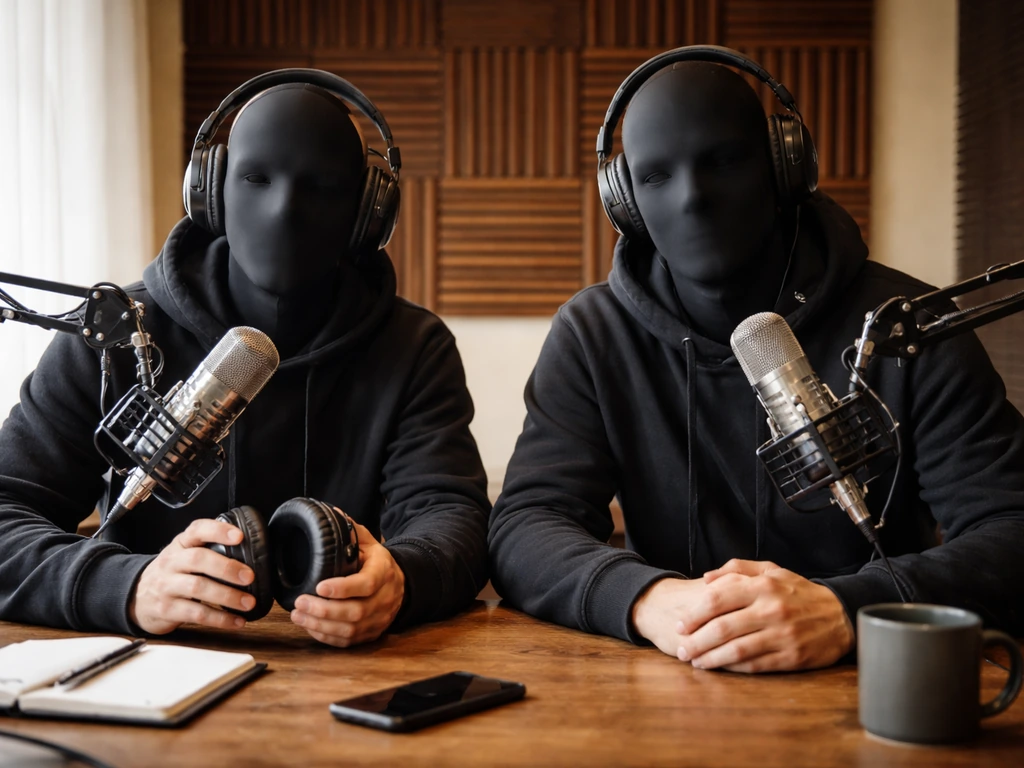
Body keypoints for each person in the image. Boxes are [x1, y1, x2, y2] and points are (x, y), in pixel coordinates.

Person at [488, 49, 1024, 673]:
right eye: (657, 175)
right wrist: (649, 601)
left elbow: (1012, 529)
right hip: (671, 679)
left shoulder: (905, 326)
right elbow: (525, 525)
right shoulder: (593, 333)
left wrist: (847, 608)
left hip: (875, 678)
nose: (693, 198)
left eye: (723, 161)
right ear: (625, 200)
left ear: (782, 165)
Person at [0, 72, 490, 648]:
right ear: (210, 190)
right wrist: (130, 587)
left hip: (348, 675)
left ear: (367, 213)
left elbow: (453, 522)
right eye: (257, 178)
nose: (285, 211)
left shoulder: (415, 347)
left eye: (323, 187)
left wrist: (404, 580)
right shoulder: (118, 332)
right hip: (150, 667)